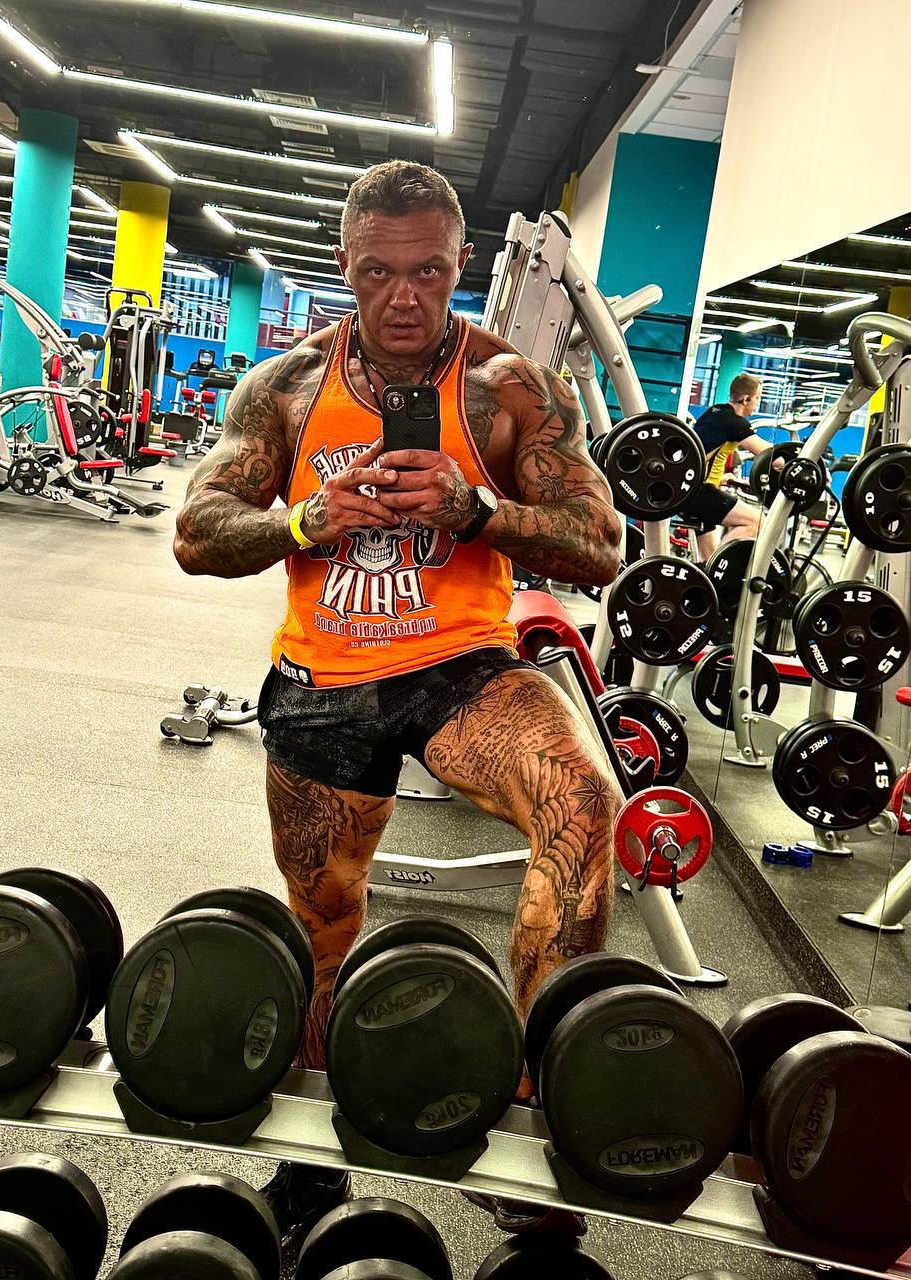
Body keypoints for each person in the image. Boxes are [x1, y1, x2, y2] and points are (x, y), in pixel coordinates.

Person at [173, 160, 623, 1243]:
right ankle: (312, 1164)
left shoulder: (511, 387)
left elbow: (602, 543)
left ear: (461, 264)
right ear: (345, 264)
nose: (405, 297)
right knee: (324, 923)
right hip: (323, 681)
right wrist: (304, 521)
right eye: (379, 272)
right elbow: (195, 531)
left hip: (461, 666)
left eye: (428, 272)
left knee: (582, 804)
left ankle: (532, 1118)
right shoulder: (284, 388)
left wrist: (478, 512)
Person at [680, 371, 779, 560]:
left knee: (708, 564)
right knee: (758, 522)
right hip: (698, 492)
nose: (757, 403)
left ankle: (713, 570)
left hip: (687, 490)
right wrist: (799, 458)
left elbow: (704, 452)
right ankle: (723, 565)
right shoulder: (734, 423)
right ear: (746, 399)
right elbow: (771, 457)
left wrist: (723, 478)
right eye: (757, 398)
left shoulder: (715, 411)